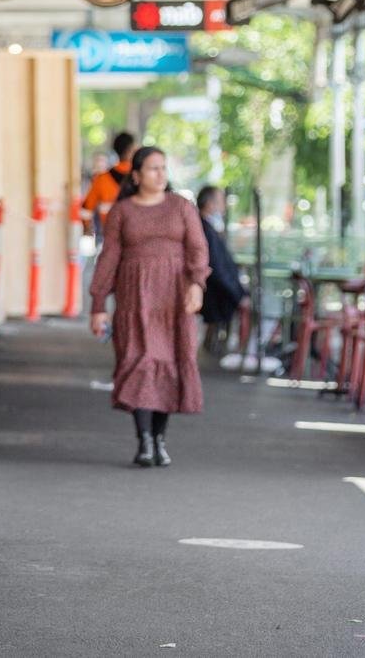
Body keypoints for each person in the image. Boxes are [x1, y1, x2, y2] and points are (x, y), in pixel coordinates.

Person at [88, 147, 208, 468]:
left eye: (164, 168)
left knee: (168, 362)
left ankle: (159, 439)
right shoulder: (122, 211)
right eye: (153, 169)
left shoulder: (181, 207)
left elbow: (198, 248)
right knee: (139, 360)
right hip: (134, 299)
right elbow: (109, 256)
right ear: (137, 175)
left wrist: (197, 284)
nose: (160, 174)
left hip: (173, 297)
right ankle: (143, 439)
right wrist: (99, 302)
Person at [196, 186, 250, 354]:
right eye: (221, 201)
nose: (224, 206)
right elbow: (217, 269)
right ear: (209, 204)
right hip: (216, 294)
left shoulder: (208, 228)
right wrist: (238, 294)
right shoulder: (205, 230)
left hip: (219, 290)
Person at [80, 131, 136, 242]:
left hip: (110, 235)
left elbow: (86, 208)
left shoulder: (101, 179)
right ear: (131, 150)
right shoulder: (140, 177)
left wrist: (86, 228)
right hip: (136, 235)